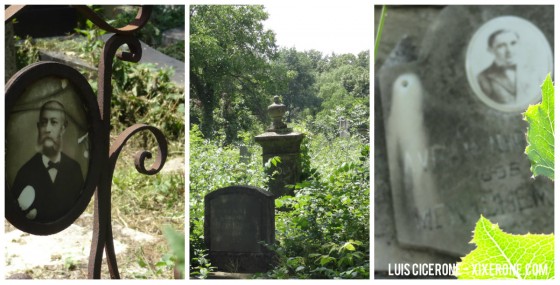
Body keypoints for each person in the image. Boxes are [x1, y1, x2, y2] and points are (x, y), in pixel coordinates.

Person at [11, 100, 84, 222]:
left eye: (54, 122)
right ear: (39, 127)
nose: (47, 129)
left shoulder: (75, 169)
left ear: (63, 128)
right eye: (44, 123)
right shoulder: (24, 173)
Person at [477, 29, 520, 104]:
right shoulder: (483, 78)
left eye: (513, 43)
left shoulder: (533, 72)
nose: (509, 50)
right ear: (490, 50)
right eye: (501, 46)